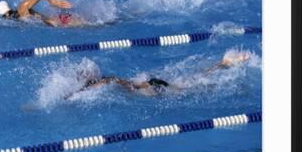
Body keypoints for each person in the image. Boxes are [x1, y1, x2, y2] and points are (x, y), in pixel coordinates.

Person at [64, 50, 252, 100]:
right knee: (193, 80)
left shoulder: (104, 81)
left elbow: (112, 84)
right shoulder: (102, 80)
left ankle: (224, 64)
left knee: (193, 86)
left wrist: (70, 96)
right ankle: (223, 63)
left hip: (151, 88)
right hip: (150, 84)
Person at [0, 0, 86, 27]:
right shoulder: (17, 18)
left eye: (4, 16)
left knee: (88, 24)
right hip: (58, 23)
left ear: (7, 13)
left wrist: (52, 1)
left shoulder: (21, 9)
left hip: (61, 22)